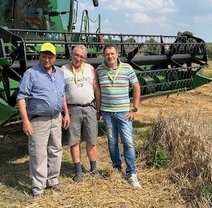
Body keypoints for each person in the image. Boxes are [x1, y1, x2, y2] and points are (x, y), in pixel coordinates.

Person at [17, 42, 70, 198]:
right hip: (38, 120)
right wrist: (25, 120)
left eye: (50, 57)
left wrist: (66, 113)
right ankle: (38, 188)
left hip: (56, 118)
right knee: (38, 153)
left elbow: (63, 94)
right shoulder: (31, 74)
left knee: (56, 150)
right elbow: (21, 97)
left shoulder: (60, 73)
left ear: (55, 58)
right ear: (39, 56)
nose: (47, 59)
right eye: (44, 56)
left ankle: (52, 180)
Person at [96, 44, 142, 188]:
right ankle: (116, 168)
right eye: (107, 54)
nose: (110, 56)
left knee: (128, 142)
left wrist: (134, 109)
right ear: (104, 56)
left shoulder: (127, 68)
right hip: (107, 112)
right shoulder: (99, 70)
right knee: (112, 142)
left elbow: (136, 87)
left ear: (117, 54)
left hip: (124, 113)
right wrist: (98, 110)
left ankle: (131, 172)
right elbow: (97, 91)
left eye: (112, 54)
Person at [61, 45, 101, 182]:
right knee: (74, 141)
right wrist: (65, 113)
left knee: (91, 140)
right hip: (72, 110)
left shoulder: (90, 69)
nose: (78, 58)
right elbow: (61, 95)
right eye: (76, 55)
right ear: (71, 54)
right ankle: (78, 171)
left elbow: (97, 90)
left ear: (85, 58)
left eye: (82, 57)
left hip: (90, 108)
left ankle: (94, 169)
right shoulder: (63, 70)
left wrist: (98, 109)